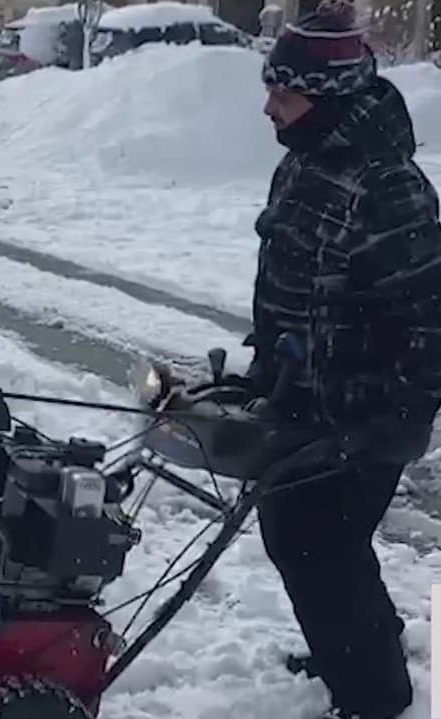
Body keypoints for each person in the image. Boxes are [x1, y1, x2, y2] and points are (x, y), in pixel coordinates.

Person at [248, 1, 441, 717]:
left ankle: (375, 694)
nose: (269, 108)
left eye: (284, 94)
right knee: (303, 536)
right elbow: (288, 279)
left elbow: (429, 321)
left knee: (317, 541)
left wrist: (385, 415)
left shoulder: (388, 190)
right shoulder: (305, 163)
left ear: (326, 100)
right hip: (302, 395)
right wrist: (267, 369)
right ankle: (350, 647)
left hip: (366, 412)